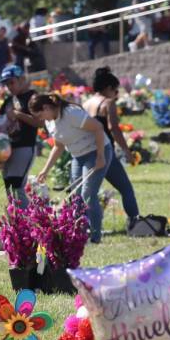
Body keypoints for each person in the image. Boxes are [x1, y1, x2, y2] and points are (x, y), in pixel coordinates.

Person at [33, 93, 112, 243]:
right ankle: (78, 236)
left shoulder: (70, 113)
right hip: (77, 156)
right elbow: (58, 146)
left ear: (46, 107)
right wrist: (45, 169)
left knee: (88, 195)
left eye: (40, 114)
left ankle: (96, 237)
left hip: (95, 152)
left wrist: (101, 156)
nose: (40, 119)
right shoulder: (50, 122)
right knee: (76, 198)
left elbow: (98, 127)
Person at [82, 67, 140, 226]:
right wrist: (127, 151)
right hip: (105, 154)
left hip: (87, 153)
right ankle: (135, 222)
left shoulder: (85, 103)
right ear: (108, 88)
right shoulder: (108, 103)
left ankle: (82, 226)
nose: (116, 95)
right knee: (126, 189)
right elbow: (114, 129)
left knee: (87, 194)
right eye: (115, 91)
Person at [0, 65, 39, 207]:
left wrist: (18, 114)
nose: (9, 86)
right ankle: (16, 224)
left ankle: (30, 224)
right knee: (9, 186)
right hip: (7, 148)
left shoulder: (33, 97)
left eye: (12, 82)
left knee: (17, 185)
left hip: (25, 146)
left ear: (22, 79)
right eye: (6, 84)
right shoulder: (9, 100)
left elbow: (40, 122)